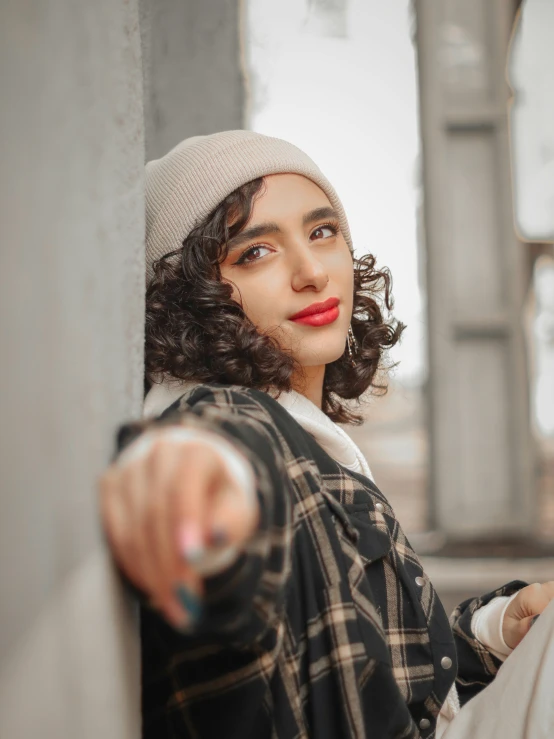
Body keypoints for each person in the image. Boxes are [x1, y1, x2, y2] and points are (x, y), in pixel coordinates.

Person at [99, 130, 554, 738]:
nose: (312, 272)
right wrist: (196, 483)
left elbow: (385, 674)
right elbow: (218, 458)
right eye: (253, 252)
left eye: (321, 232)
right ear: (195, 294)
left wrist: (494, 628)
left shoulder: (311, 438)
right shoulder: (233, 419)